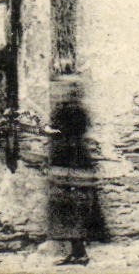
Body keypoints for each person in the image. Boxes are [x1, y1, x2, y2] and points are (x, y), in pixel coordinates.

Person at [46, 75, 106, 266]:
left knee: (74, 210)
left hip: (73, 164)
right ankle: (77, 252)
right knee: (69, 211)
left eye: (64, 89)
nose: (60, 93)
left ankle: (80, 253)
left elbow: (67, 134)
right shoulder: (67, 110)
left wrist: (52, 132)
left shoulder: (74, 111)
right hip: (69, 162)